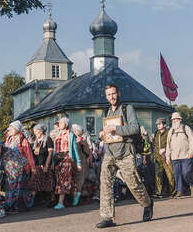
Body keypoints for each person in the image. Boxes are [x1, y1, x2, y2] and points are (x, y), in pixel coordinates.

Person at [96, 84, 153, 229]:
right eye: (108, 94)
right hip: (110, 153)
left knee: (133, 183)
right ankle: (107, 217)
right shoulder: (107, 111)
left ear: (118, 93)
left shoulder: (127, 108)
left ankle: (147, 203)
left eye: (113, 93)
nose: (111, 97)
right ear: (106, 96)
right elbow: (107, 131)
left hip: (126, 152)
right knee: (105, 183)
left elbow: (134, 128)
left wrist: (116, 128)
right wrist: (102, 134)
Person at [2, 120, 35, 214]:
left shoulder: (23, 140)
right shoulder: (9, 139)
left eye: (12, 128)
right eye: (10, 128)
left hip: (20, 168)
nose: (10, 130)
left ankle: (20, 206)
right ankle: (10, 205)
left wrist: (32, 167)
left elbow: (29, 155)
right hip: (10, 169)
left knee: (19, 188)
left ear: (17, 129)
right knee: (10, 188)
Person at [165, 112, 193, 198]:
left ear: (180, 120)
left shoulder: (186, 128)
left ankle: (192, 185)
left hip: (186, 155)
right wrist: (167, 157)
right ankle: (179, 191)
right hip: (175, 157)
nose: (175, 121)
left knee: (186, 173)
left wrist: (191, 151)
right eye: (173, 119)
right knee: (177, 174)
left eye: (176, 119)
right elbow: (168, 145)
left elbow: (192, 141)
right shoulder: (171, 131)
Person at [53, 117, 82, 210]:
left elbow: (75, 149)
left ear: (66, 124)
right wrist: (53, 162)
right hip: (58, 159)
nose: (59, 124)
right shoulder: (57, 135)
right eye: (59, 123)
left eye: (61, 123)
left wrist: (79, 162)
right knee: (66, 180)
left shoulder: (70, 135)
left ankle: (61, 202)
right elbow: (54, 150)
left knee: (64, 180)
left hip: (67, 158)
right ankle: (76, 194)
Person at [28, 124, 55, 206]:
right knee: (34, 183)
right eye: (34, 131)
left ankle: (52, 200)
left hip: (45, 165)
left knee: (48, 183)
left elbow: (50, 154)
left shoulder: (48, 139)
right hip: (37, 165)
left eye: (37, 131)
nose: (35, 133)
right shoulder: (36, 141)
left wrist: (47, 165)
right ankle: (31, 202)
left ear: (41, 131)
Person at [153, 118, 176, 198]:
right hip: (158, 158)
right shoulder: (156, 133)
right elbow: (155, 145)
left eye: (160, 124)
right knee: (158, 176)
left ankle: (173, 192)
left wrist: (165, 149)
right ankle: (158, 192)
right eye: (157, 124)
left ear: (164, 125)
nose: (158, 126)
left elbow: (173, 144)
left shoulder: (168, 133)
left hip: (167, 157)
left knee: (170, 175)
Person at [72, 124, 93, 205]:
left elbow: (88, 152)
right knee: (75, 180)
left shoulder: (82, 141)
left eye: (74, 130)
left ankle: (76, 197)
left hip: (81, 163)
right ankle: (77, 196)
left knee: (80, 180)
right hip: (73, 162)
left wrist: (84, 145)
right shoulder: (72, 140)